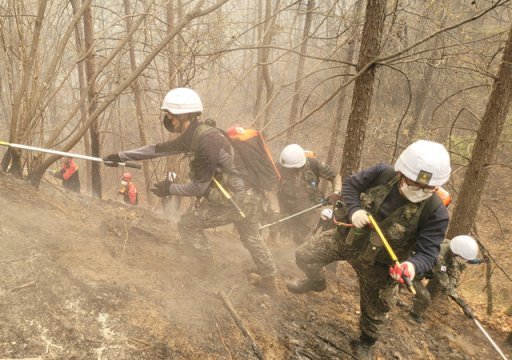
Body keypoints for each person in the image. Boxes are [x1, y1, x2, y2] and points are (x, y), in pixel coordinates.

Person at [103, 87, 279, 294]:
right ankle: (269, 279)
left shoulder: (206, 142)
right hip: (249, 195)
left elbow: (198, 187)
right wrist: (120, 157)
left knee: (188, 224)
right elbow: (156, 150)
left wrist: (170, 188)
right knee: (250, 234)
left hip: (238, 198)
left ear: (183, 115)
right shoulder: (196, 134)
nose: (167, 119)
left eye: (170, 115)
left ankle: (204, 268)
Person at [286, 139, 452, 359]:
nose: (418, 190)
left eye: (427, 188)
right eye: (413, 183)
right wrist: (354, 209)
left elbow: (428, 253)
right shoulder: (382, 174)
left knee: (377, 311)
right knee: (304, 256)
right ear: (402, 172)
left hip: (381, 265)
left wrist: (412, 266)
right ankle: (316, 282)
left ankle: (366, 343)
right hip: (346, 241)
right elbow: (350, 185)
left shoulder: (435, 212)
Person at [274, 144, 342, 245]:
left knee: (326, 217)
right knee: (283, 236)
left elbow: (336, 177)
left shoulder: (313, 164)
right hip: (286, 204)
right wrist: (275, 209)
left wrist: (336, 193)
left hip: (312, 202)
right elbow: (271, 190)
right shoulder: (279, 167)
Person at [410, 235, 481, 323]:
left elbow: (455, 267)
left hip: (418, 265)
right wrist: (464, 305)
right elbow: (445, 284)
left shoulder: (451, 245)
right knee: (426, 299)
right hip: (411, 271)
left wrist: (474, 260)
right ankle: (414, 314)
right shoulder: (440, 258)